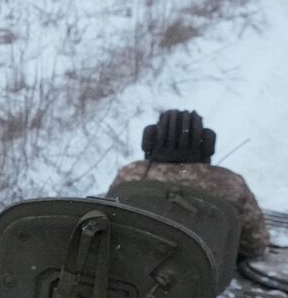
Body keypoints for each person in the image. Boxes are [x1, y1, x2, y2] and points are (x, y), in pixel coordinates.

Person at [111, 109, 273, 259]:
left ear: (149, 141)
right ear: (208, 144)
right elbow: (256, 245)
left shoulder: (130, 175)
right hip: (204, 282)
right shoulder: (230, 183)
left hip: (136, 273)